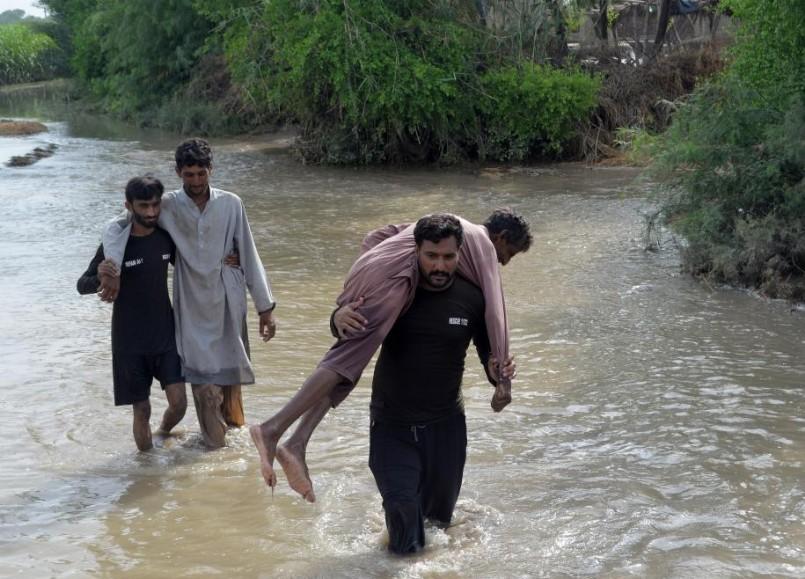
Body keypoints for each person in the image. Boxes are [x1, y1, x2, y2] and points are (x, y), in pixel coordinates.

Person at [251, 208, 531, 501]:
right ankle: (273, 429)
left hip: (376, 270)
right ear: (501, 238)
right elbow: (497, 310)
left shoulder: (437, 230)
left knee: (351, 362)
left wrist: (368, 278)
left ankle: (297, 441)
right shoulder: (479, 244)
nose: (503, 263)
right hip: (388, 284)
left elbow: (377, 236)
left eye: (446, 258)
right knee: (347, 359)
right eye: (507, 255)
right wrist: (504, 383)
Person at [99, 138, 277, 448]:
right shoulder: (166, 205)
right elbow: (118, 226)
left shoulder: (231, 203)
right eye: (189, 174)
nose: (195, 181)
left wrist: (265, 308)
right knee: (204, 385)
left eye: (201, 173)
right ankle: (216, 450)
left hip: (227, 300)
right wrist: (112, 268)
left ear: (211, 170)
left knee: (231, 387)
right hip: (191, 305)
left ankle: (232, 455)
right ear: (178, 172)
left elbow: (248, 252)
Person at [361, 213, 514, 554]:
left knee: (438, 525)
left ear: (461, 254)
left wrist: (497, 376)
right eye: (431, 256)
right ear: (416, 251)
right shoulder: (397, 288)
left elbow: (488, 354)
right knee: (405, 537)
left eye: (448, 257)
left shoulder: (473, 299)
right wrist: (338, 318)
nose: (440, 265)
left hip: (446, 429)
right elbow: (348, 330)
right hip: (391, 427)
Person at [77, 176, 186, 451]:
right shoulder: (114, 246)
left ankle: (163, 432)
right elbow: (82, 285)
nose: (150, 212)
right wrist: (102, 277)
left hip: (165, 335)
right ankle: (147, 470)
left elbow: (195, 265)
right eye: (143, 206)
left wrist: (230, 260)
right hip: (129, 342)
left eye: (155, 205)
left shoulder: (165, 237)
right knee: (142, 410)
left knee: (179, 402)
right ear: (129, 205)